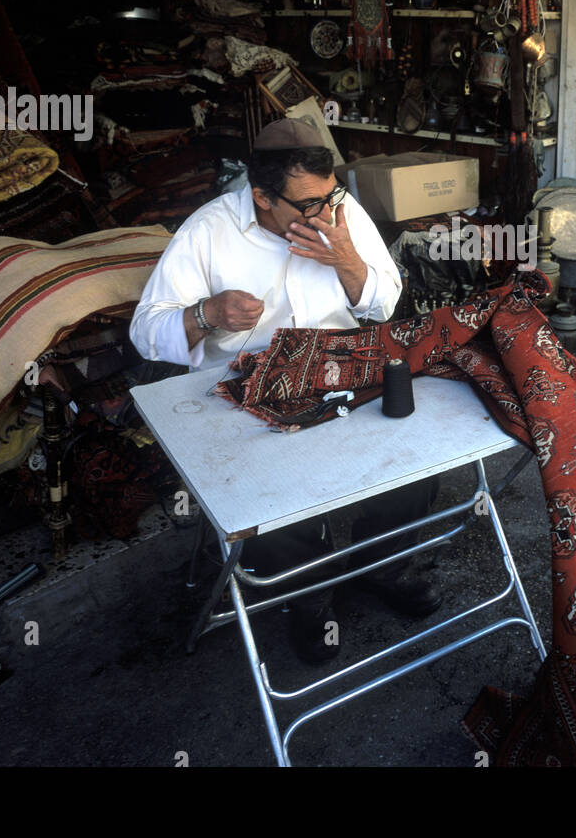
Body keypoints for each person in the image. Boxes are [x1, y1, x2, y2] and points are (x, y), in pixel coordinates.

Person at [130, 119, 440, 663]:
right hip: (245, 387)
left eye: (329, 198)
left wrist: (345, 257)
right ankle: (310, 595)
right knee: (266, 501)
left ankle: (382, 566)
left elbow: (383, 305)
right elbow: (145, 333)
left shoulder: (336, 211)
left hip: (338, 367)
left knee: (415, 466)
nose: (323, 215)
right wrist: (207, 313)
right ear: (261, 198)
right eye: (307, 207)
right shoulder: (209, 230)